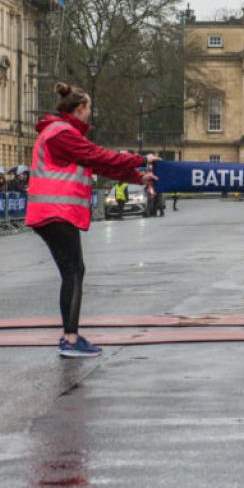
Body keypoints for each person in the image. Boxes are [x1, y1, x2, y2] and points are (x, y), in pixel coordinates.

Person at [26, 82, 158, 358]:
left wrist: (138, 177)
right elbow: (98, 156)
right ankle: (70, 340)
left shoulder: (61, 133)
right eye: (89, 109)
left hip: (52, 214)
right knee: (74, 272)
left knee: (73, 271)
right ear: (80, 108)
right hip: (55, 213)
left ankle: (71, 336)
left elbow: (96, 164)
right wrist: (139, 159)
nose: (90, 114)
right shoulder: (62, 134)